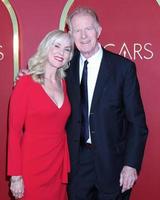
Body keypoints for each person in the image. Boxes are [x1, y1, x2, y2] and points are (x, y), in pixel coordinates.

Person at [65, 7, 148, 200]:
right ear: (71, 34)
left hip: (114, 164)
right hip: (77, 165)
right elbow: (42, 78)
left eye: (89, 29)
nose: (83, 36)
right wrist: (27, 75)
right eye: (77, 30)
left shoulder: (123, 68)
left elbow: (137, 123)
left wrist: (131, 164)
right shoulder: (64, 67)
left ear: (99, 30)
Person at [8, 30, 74, 200]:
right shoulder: (25, 82)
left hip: (58, 164)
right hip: (32, 164)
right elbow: (14, 133)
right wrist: (16, 176)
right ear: (46, 47)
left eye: (67, 49)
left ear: (70, 56)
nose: (61, 53)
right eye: (57, 46)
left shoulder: (64, 83)